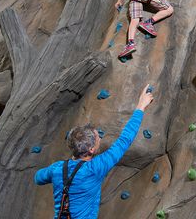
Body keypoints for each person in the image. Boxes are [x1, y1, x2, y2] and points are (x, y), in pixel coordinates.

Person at [34, 85, 154, 219]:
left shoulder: (57, 169)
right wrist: (140, 107)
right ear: (91, 149)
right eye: (98, 138)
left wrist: (52, 174)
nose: (100, 138)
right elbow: (124, 140)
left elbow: (38, 178)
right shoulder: (95, 168)